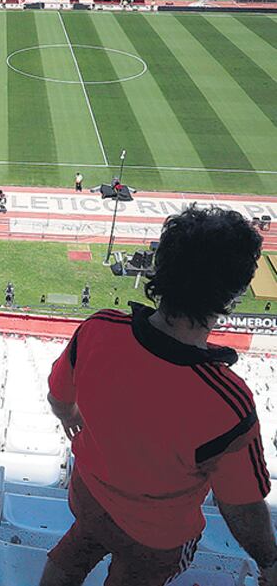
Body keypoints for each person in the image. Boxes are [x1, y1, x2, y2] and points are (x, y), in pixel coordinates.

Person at [41, 206, 276, 586]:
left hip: (88, 497)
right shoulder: (229, 403)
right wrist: (269, 560)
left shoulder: (98, 330)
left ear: (159, 269)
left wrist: (69, 415)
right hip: (155, 538)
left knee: (73, 554)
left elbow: (58, 398)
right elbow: (241, 508)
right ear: (232, 297)